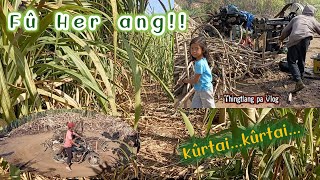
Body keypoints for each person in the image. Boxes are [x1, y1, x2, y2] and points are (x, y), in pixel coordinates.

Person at [279, 4, 320, 93]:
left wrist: (281, 39)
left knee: (292, 61)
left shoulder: (296, 18)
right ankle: (300, 77)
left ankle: (298, 81)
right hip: (306, 40)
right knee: (302, 59)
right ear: (312, 12)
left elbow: (286, 31)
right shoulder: (313, 20)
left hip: (295, 39)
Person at [178, 36, 216, 108]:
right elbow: (198, 77)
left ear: (203, 49)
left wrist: (184, 80)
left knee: (209, 107)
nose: (194, 51)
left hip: (205, 89)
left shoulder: (199, 63)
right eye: (192, 48)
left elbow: (195, 80)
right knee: (195, 106)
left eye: (196, 48)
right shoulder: (201, 60)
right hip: (199, 88)